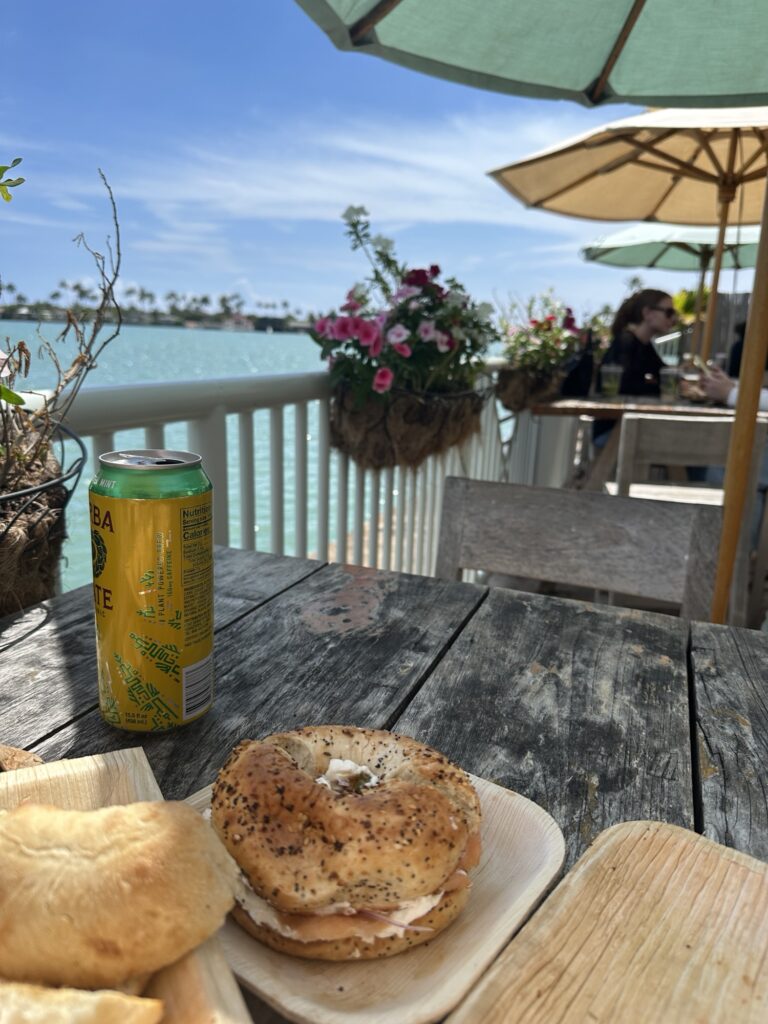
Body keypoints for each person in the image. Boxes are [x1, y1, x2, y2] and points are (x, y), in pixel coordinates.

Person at [593, 288, 677, 446]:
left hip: (628, 428)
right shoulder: (625, 341)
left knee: (687, 442)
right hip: (612, 432)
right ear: (648, 313)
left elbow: (664, 373)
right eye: (669, 312)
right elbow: (625, 386)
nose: (673, 319)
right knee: (684, 445)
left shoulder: (644, 345)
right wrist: (657, 386)